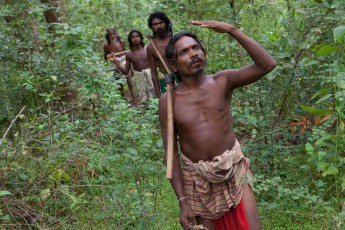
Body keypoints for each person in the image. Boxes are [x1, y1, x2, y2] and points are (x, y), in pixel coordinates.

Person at [159, 20, 276, 230]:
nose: (194, 53)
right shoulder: (168, 101)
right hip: (197, 180)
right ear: (174, 65)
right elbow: (171, 155)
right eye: (184, 51)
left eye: (196, 48)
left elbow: (267, 64)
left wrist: (231, 30)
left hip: (233, 170)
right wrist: (182, 201)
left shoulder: (222, 81)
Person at [111, 29, 155, 107]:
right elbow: (125, 71)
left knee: (155, 97)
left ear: (141, 38)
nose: (135, 38)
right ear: (130, 40)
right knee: (144, 101)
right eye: (133, 37)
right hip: (139, 79)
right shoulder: (129, 54)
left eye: (137, 36)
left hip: (151, 77)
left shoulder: (148, 49)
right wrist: (115, 62)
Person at [147, 11, 179, 98]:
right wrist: (158, 94)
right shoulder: (151, 47)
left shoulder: (175, 40)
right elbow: (153, 72)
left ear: (166, 23)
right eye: (155, 24)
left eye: (161, 23)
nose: (159, 26)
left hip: (181, 76)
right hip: (165, 80)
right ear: (152, 27)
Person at [103, 27, 127, 97]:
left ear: (116, 33)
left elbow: (125, 52)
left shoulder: (121, 41)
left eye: (113, 34)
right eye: (110, 34)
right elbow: (105, 56)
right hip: (114, 62)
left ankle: (133, 95)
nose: (112, 36)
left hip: (123, 60)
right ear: (107, 36)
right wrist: (106, 67)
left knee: (128, 77)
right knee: (118, 80)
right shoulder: (106, 45)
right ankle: (123, 96)